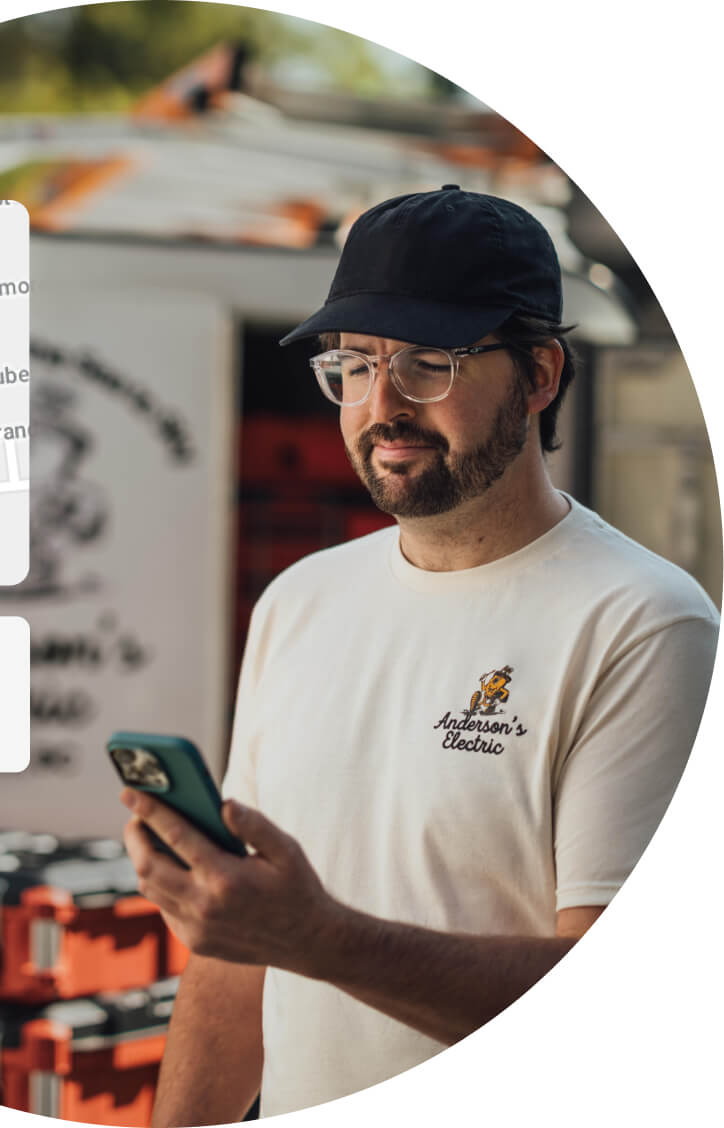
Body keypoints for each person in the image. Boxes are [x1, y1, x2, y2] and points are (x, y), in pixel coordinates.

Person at [119, 186, 720, 1123]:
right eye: (356, 365)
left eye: (430, 364)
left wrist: (316, 937)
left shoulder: (643, 624)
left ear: (540, 375)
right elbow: (239, 968)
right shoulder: (302, 603)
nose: (383, 406)